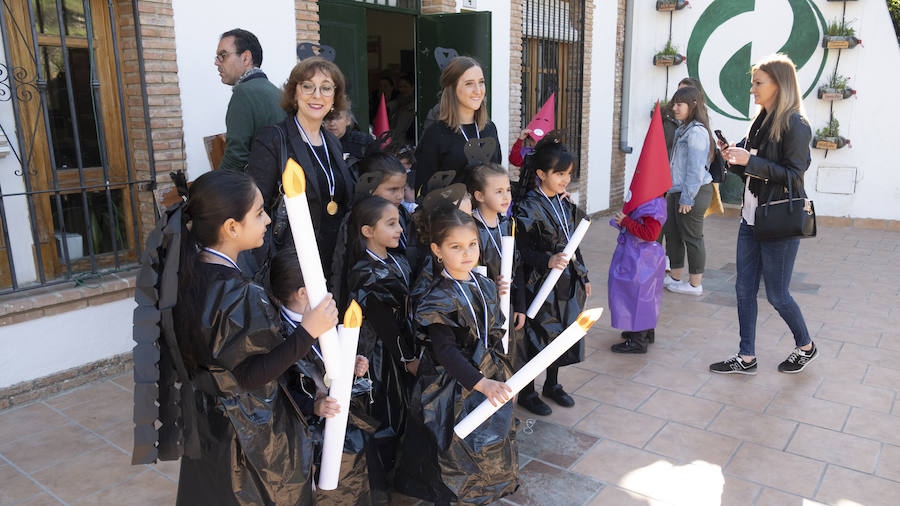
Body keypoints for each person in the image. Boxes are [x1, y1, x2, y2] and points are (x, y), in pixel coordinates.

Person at [169, 170, 338, 504]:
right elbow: (248, 374)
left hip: (208, 419)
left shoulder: (188, 273)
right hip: (245, 432)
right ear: (231, 227)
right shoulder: (239, 294)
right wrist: (308, 332)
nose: (266, 221)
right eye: (259, 213)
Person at [394, 208, 518, 504]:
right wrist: (482, 383)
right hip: (451, 386)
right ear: (437, 250)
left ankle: (483, 487)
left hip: (485, 374)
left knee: (487, 441)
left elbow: (493, 333)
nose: (467, 253)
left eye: (472, 244)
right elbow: (446, 352)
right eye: (456, 247)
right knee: (452, 451)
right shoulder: (438, 297)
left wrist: (502, 376)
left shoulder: (483, 284)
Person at [710, 53, 817, 375]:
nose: (752, 89)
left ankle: (806, 346)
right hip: (751, 220)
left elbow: (795, 173)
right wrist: (732, 158)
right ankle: (746, 357)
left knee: (777, 294)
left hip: (779, 223)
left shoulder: (796, 124)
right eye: (752, 83)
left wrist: (750, 162)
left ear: (779, 85)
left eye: (758, 83)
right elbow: (751, 169)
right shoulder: (759, 122)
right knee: (743, 291)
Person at [268, 247, 374, 505]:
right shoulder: (278, 332)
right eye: (321, 283)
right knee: (322, 492)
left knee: (349, 485)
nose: (327, 290)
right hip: (306, 432)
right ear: (304, 292)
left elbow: (331, 360)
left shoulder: (322, 319)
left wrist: (352, 363)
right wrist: (312, 405)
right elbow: (278, 388)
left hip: (340, 425)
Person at [247, 57, 355, 282]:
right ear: (294, 93)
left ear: (334, 98)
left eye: (326, 88)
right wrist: (271, 266)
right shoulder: (273, 140)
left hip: (334, 261)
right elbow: (254, 207)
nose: (317, 95)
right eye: (308, 86)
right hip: (293, 265)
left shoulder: (332, 142)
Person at [343, 196, 416, 498]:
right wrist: (407, 357)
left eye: (399, 221)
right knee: (385, 410)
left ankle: (401, 469)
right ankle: (384, 480)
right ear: (367, 230)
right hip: (381, 355)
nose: (399, 229)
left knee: (403, 409)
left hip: (402, 345)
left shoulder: (397, 259)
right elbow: (384, 324)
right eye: (390, 223)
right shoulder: (365, 271)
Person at [513, 136, 590, 416]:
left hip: (566, 282)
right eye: (559, 173)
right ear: (541, 174)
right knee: (536, 337)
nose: (565, 179)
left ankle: (553, 384)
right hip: (538, 284)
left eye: (569, 174)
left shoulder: (563, 202)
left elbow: (573, 240)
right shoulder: (527, 207)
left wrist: (585, 274)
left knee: (562, 333)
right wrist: (547, 260)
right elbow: (520, 252)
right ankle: (527, 391)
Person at [468, 163, 527, 366]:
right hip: (480, 310)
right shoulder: (469, 229)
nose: (506, 197)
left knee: (507, 359)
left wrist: (520, 305)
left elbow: (516, 267)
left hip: (505, 305)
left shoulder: (507, 224)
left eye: (508, 190)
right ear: (480, 195)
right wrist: (491, 284)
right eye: (499, 191)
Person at [414, 56, 502, 193]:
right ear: (452, 88)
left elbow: (497, 178)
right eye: (469, 84)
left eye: (481, 82)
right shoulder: (436, 134)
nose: (478, 91)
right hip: (449, 213)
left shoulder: (489, 128)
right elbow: (423, 190)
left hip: (485, 214)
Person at [662, 86, 716, 296]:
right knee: (673, 234)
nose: (674, 108)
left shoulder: (696, 132)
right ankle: (675, 277)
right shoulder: (683, 128)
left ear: (693, 105)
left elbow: (694, 169)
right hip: (677, 190)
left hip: (692, 191)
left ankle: (695, 284)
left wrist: (687, 198)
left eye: (679, 104)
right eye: (674, 103)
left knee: (692, 237)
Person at [215, 29, 285, 171]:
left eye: (223, 55)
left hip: (257, 187)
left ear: (246, 58)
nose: (217, 63)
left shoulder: (243, 93)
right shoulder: (276, 91)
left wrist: (214, 187)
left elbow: (235, 159)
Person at [324, 103, 375, 169]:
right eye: (328, 118)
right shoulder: (317, 144)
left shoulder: (364, 142)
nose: (332, 123)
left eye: (337, 118)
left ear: (348, 120)